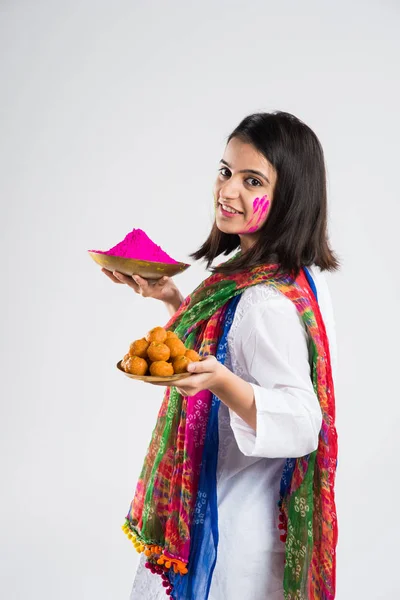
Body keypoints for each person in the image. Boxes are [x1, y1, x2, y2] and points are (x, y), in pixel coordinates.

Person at [103, 111, 339, 600]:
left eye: (251, 180)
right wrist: (172, 298)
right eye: (225, 170)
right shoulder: (280, 276)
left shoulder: (267, 301)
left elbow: (302, 421)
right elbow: (227, 346)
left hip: (228, 538)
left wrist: (218, 383)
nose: (227, 190)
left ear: (288, 198)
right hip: (227, 521)